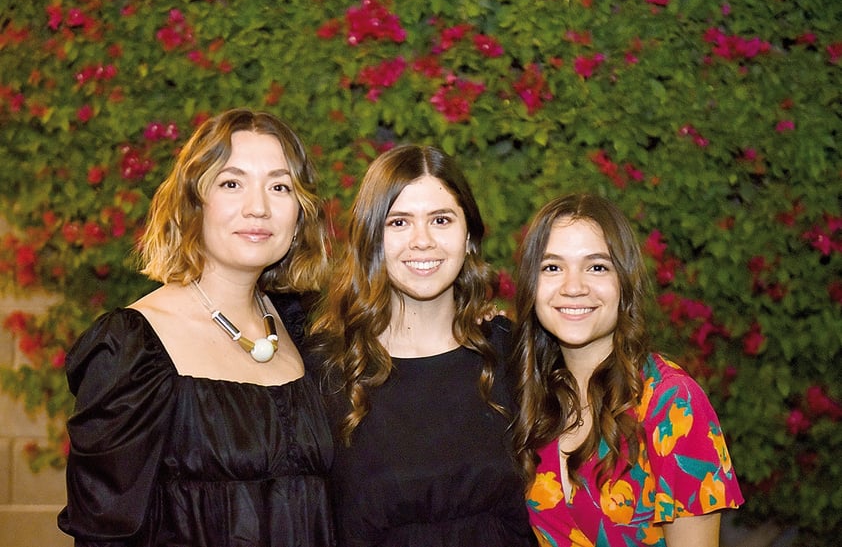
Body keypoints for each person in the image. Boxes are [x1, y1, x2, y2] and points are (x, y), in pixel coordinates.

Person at [58, 108, 335, 546]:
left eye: (279, 187)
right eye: (231, 183)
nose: (258, 207)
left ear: (300, 214)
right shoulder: (134, 349)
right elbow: (105, 534)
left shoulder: (306, 330)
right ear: (193, 203)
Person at [308, 144, 536, 547]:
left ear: (468, 235)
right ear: (371, 237)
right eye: (399, 222)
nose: (422, 241)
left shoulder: (513, 351)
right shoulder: (326, 369)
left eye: (441, 220)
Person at [512, 193, 744, 547]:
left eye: (597, 267)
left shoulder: (672, 402)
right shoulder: (530, 394)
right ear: (531, 284)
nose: (574, 287)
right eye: (552, 267)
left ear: (624, 283)